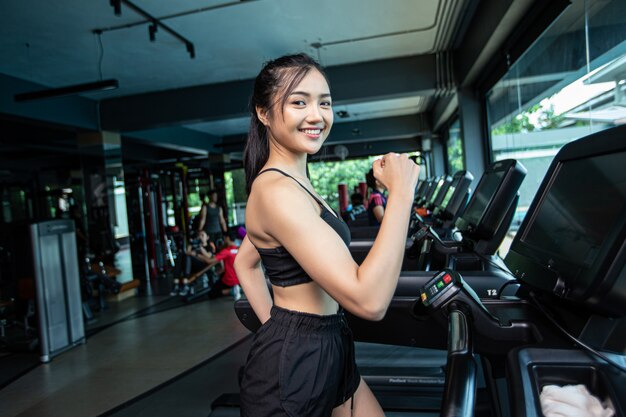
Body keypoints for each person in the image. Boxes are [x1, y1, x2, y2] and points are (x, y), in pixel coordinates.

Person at [234, 53, 419, 417]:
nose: (317, 115)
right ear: (264, 113)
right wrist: (401, 194)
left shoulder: (297, 184)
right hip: (293, 371)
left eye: (325, 103)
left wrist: (276, 328)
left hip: (328, 344)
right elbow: (369, 301)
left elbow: (245, 263)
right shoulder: (275, 191)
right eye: (299, 102)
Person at [170, 230, 216, 296]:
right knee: (181, 255)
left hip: (202, 265)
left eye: (202, 235)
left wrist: (199, 249)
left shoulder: (209, 246)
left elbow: (208, 257)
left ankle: (185, 281)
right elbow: (187, 253)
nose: (200, 237)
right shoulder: (194, 244)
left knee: (189, 257)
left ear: (207, 237)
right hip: (190, 265)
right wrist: (191, 244)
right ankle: (176, 281)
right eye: (199, 235)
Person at [203, 231, 242, 301]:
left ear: (227, 238)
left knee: (212, 294)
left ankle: (232, 290)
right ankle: (238, 288)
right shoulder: (239, 249)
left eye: (225, 238)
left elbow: (209, 261)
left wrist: (197, 255)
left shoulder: (226, 251)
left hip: (230, 279)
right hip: (240, 278)